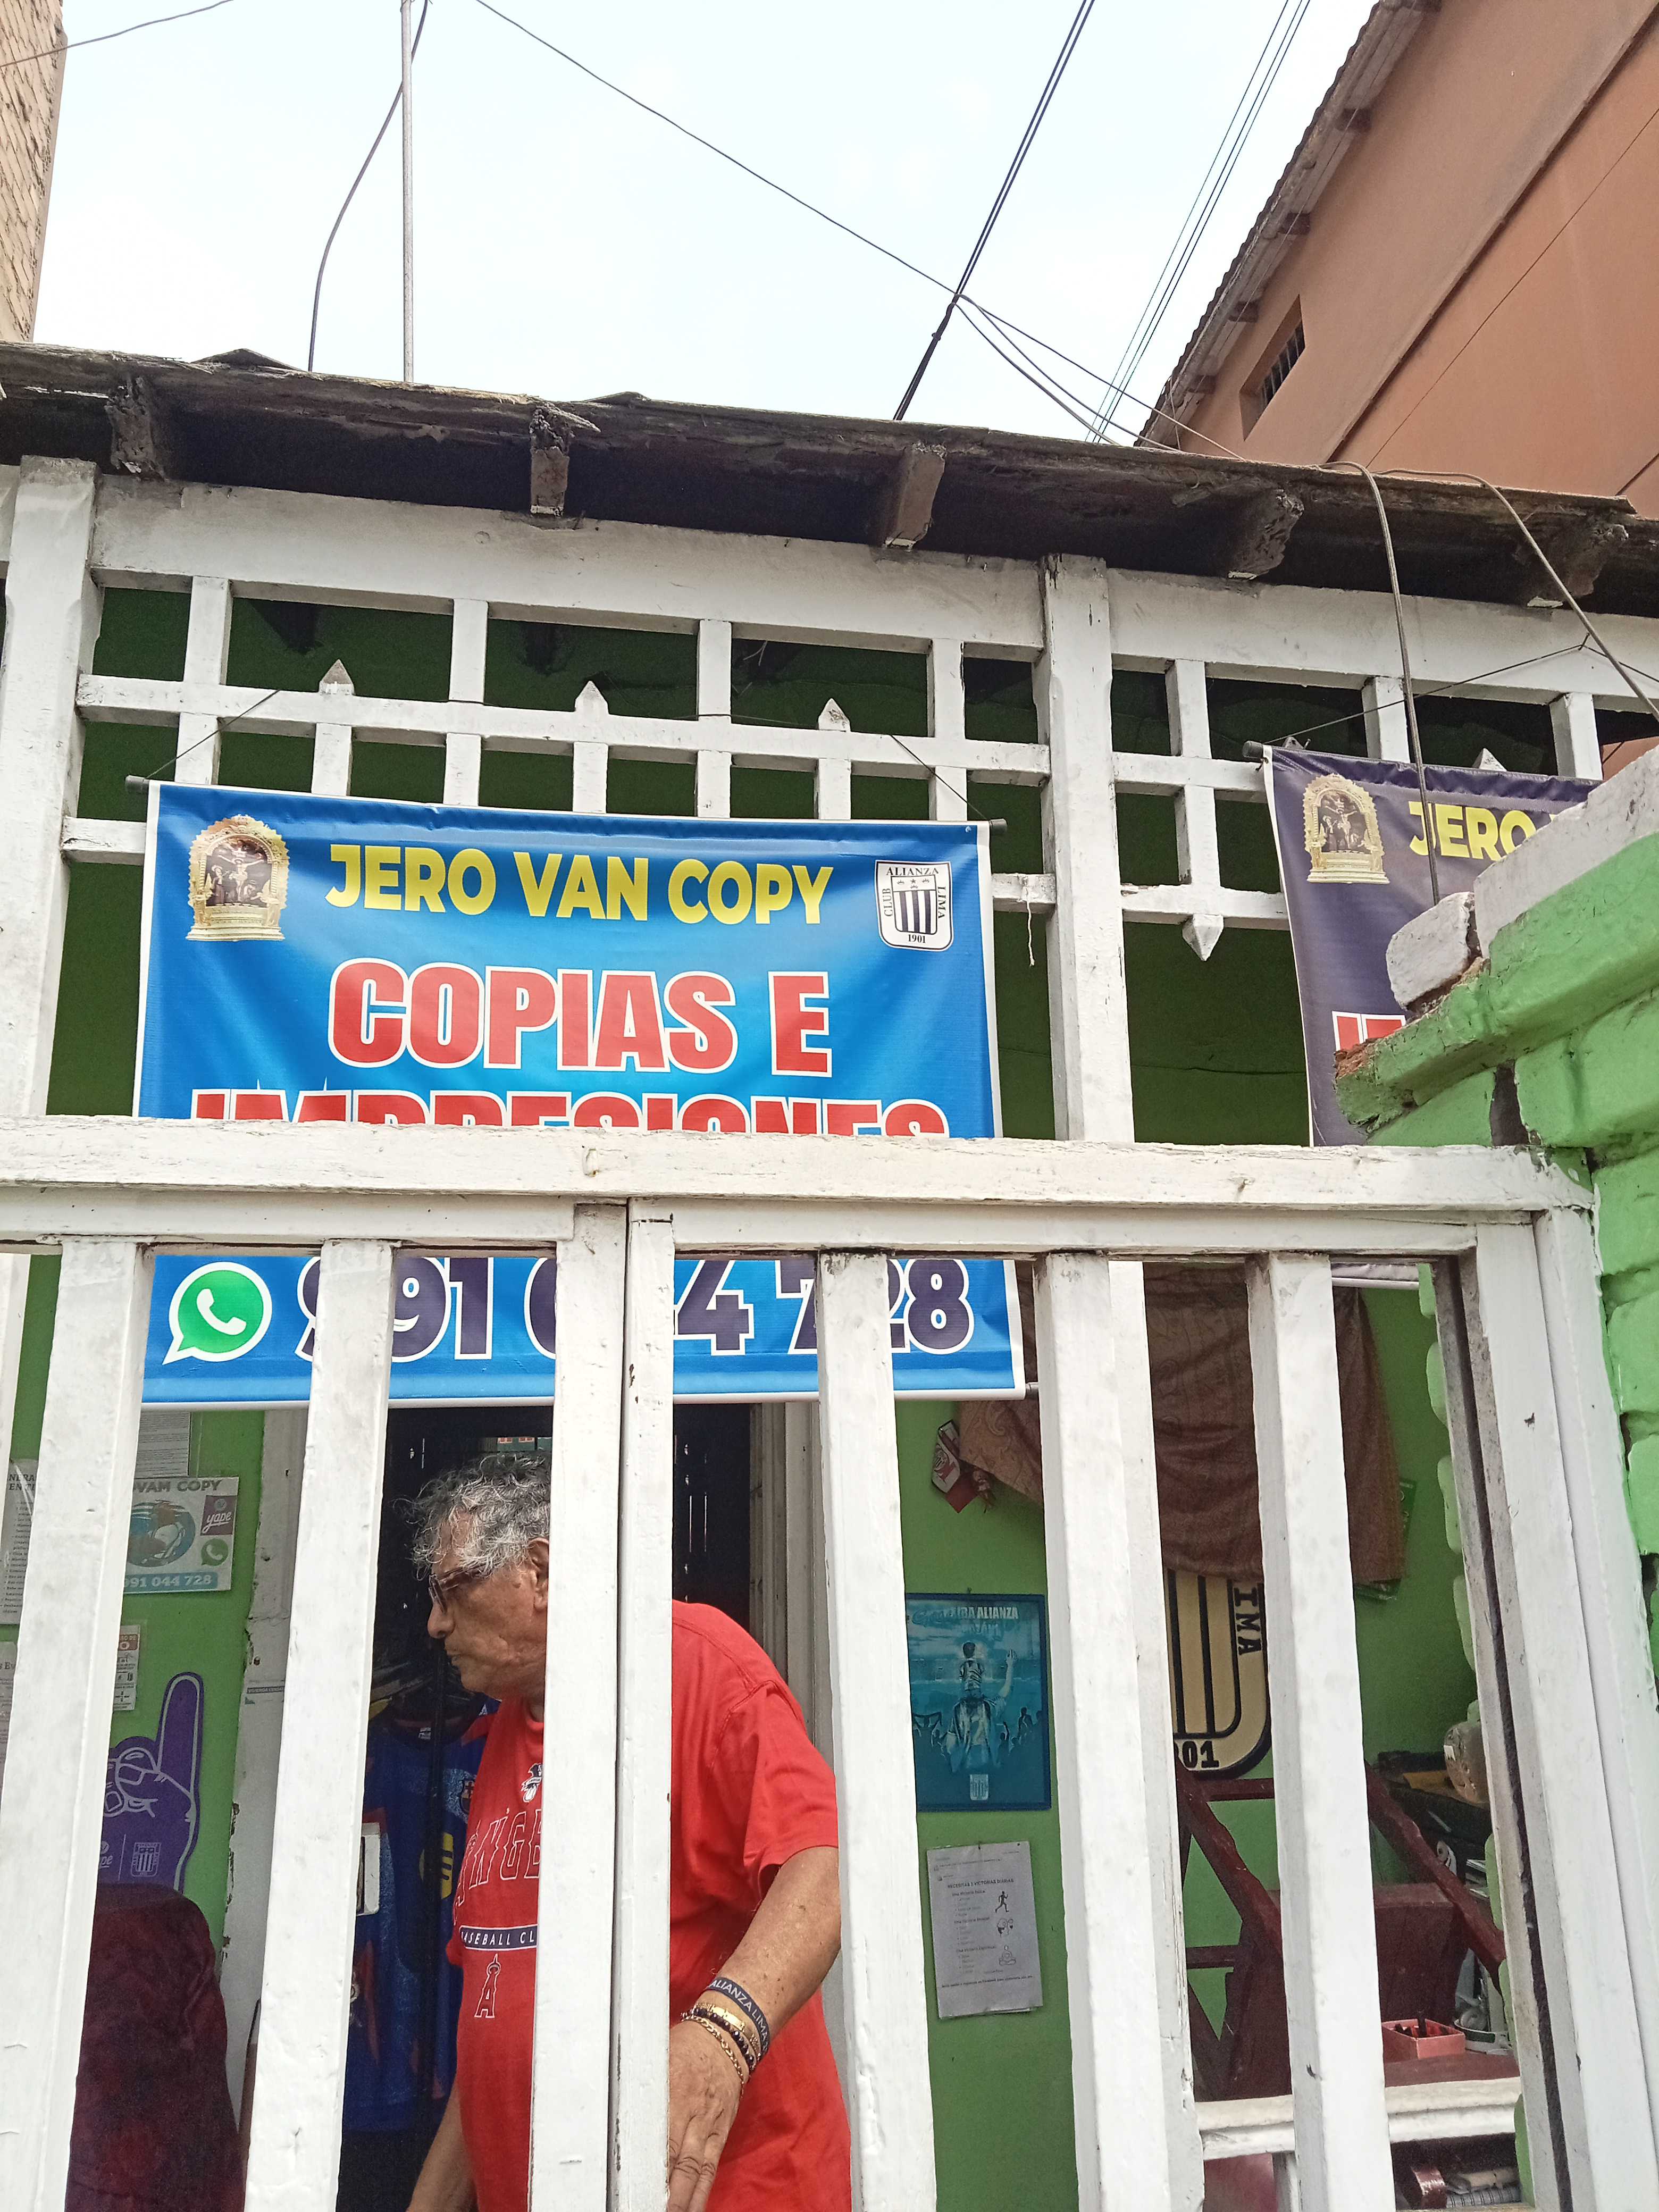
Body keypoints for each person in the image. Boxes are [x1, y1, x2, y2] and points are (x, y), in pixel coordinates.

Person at [404, 1453, 850, 2212]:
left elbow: (826, 1868)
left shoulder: (692, 1664)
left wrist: (723, 2035)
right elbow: (494, 2029)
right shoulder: (503, 1731)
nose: (435, 1622)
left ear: (540, 1573)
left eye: (452, 1590)